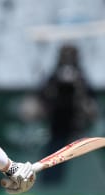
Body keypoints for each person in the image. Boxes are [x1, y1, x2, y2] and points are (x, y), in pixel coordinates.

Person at [37, 43, 98, 185]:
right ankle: (50, 184)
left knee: (78, 156)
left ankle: (78, 186)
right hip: (56, 124)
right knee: (53, 155)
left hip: (75, 124)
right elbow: (44, 95)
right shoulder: (55, 77)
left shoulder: (80, 77)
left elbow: (90, 96)